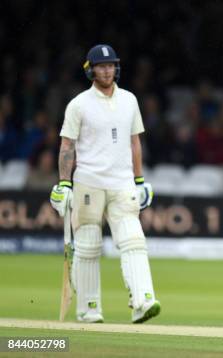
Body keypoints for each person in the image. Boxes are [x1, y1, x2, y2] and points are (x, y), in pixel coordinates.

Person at [49, 44, 159, 324]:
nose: (107, 70)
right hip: (89, 183)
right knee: (87, 246)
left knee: (134, 240)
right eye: (101, 66)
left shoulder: (130, 100)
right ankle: (89, 308)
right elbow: (66, 146)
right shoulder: (78, 104)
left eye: (111, 65)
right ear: (91, 70)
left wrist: (139, 180)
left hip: (123, 183)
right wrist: (64, 184)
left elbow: (135, 142)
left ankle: (143, 301)